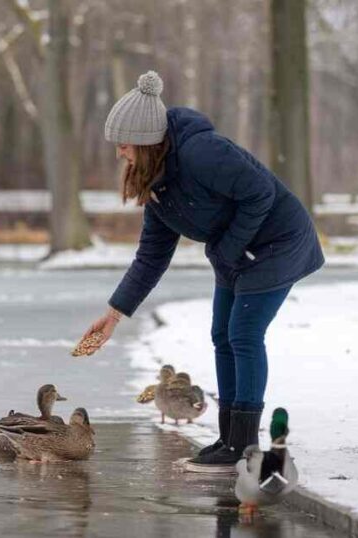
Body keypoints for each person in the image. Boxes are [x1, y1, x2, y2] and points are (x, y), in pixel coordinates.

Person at [82, 71, 324, 473]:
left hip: (279, 243)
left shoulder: (202, 152)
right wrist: (114, 314)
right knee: (221, 335)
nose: (120, 153)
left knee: (243, 335)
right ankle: (229, 439)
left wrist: (228, 249)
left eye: (124, 144)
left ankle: (243, 446)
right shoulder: (157, 182)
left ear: (146, 141)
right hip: (236, 252)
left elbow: (261, 192)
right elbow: (151, 255)